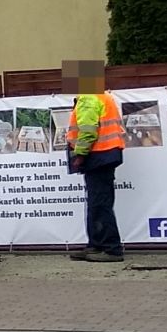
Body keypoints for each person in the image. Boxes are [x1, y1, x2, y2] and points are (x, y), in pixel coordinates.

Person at [64, 61, 126, 263]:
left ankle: (110, 249)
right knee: (98, 202)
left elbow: (88, 131)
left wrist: (79, 155)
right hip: (106, 155)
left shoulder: (89, 98)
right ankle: (96, 245)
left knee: (99, 204)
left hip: (98, 155)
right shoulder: (103, 96)